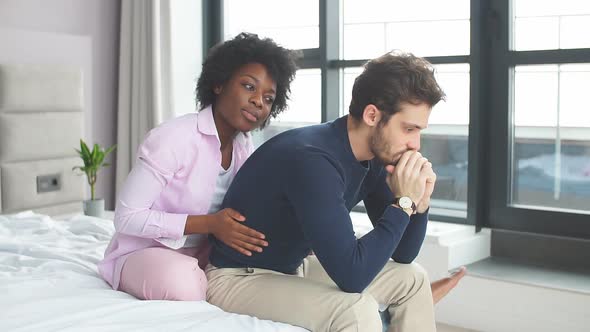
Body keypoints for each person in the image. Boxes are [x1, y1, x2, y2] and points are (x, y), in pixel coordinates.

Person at [206, 51, 465, 331]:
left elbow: (403, 254)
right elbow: (352, 277)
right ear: (372, 115)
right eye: (409, 129)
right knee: (356, 310)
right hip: (238, 279)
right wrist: (402, 204)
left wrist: (419, 203)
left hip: (292, 269)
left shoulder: (375, 157)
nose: (415, 144)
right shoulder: (313, 159)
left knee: (412, 279)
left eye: (419, 131)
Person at [97, 33, 299, 301]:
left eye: (268, 98)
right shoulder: (173, 137)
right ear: (219, 84)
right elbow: (126, 217)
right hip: (143, 252)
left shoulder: (244, 147)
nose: (258, 102)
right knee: (185, 286)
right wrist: (209, 224)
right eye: (249, 87)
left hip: (205, 255)